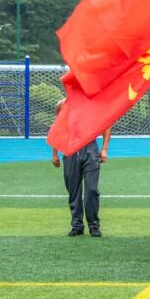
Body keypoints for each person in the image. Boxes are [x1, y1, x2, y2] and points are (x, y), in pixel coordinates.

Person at [51, 101, 110, 237]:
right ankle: (77, 226)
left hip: (90, 150)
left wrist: (104, 149)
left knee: (92, 189)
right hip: (70, 150)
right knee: (73, 190)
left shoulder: (94, 105)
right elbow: (57, 128)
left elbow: (106, 125)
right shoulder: (62, 105)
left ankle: (94, 225)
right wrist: (55, 153)